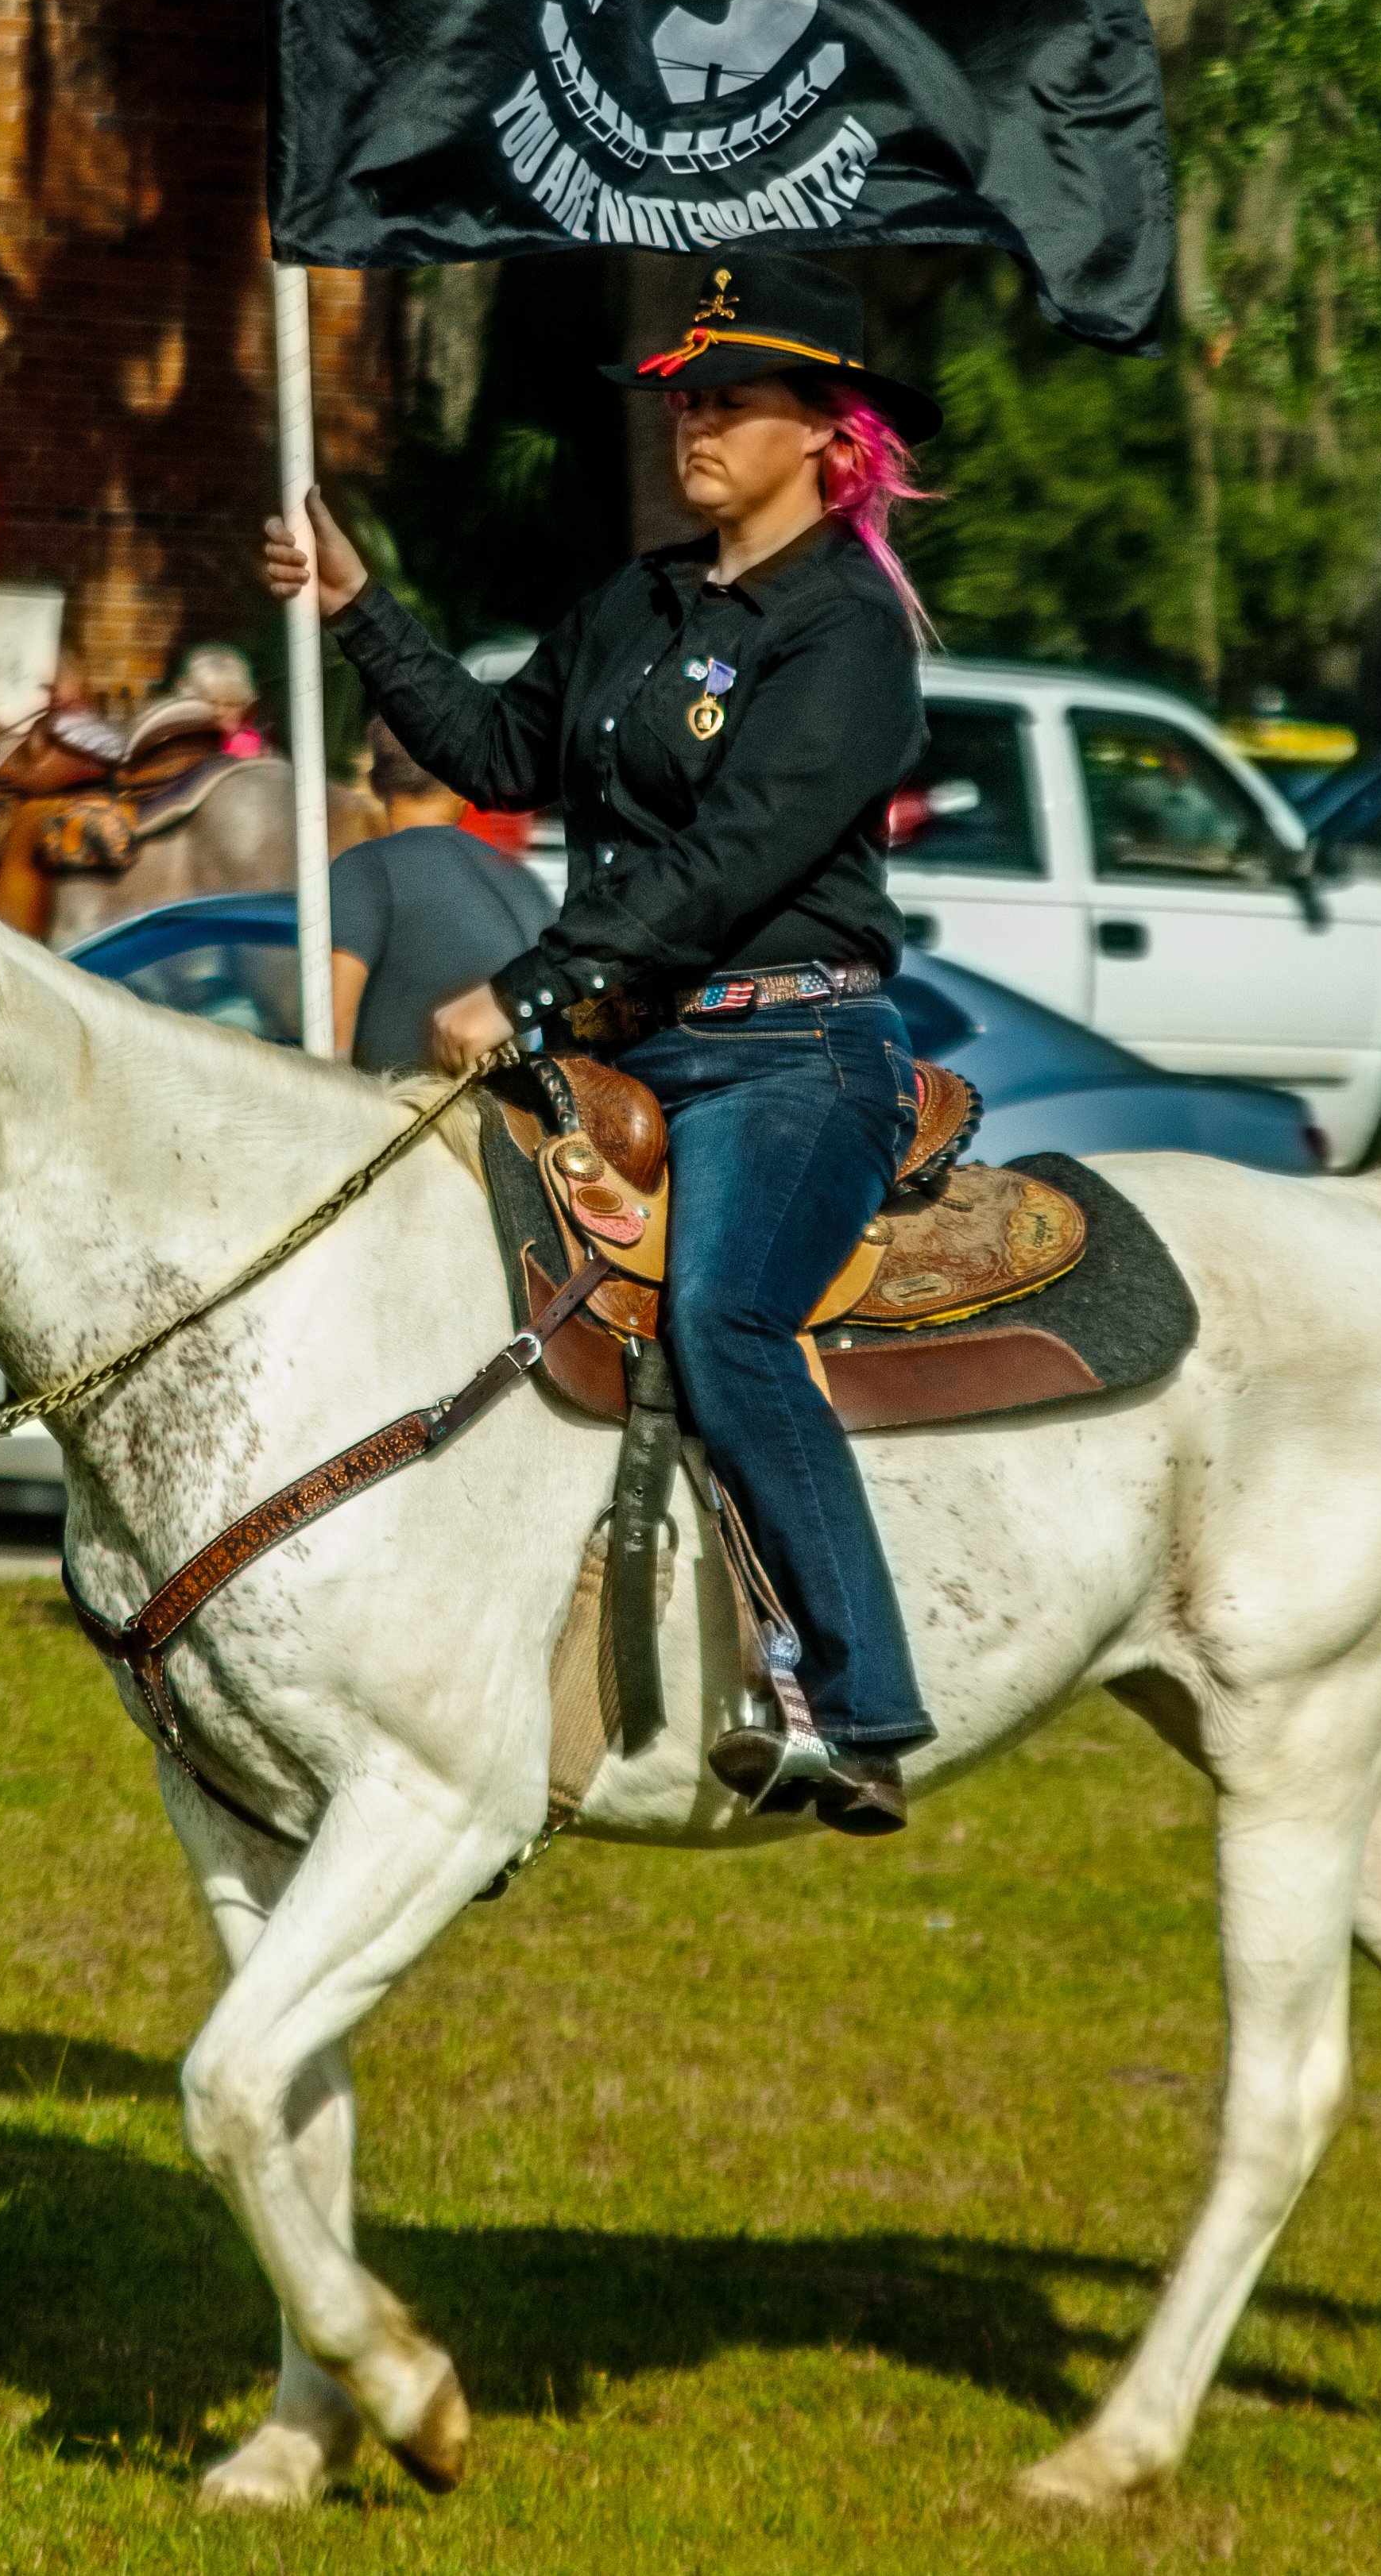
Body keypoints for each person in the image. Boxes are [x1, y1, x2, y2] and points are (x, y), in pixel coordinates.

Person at [262, 250, 942, 1837]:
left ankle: (856, 1706)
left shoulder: (847, 633)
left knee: (722, 1316)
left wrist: (532, 986)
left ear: (824, 432)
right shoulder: (639, 599)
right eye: (682, 399)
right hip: (626, 1047)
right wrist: (359, 606)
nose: (690, 423)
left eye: (728, 400)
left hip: (792, 1052)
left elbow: (735, 857)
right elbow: (499, 748)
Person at [328, 720, 555, 1072]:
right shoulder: (527, 883)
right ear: (463, 791)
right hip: (518, 1100)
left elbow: (329, 1035)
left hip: (404, 1104)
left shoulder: (363, 869)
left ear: (374, 783)